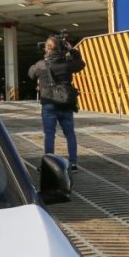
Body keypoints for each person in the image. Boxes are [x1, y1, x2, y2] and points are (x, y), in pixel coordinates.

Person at [29, 34, 85, 171]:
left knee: (49, 134)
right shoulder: (67, 64)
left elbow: (31, 74)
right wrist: (72, 50)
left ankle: (49, 165)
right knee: (70, 133)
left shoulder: (41, 65)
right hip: (66, 103)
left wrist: (43, 60)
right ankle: (73, 163)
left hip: (49, 104)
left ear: (48, 48)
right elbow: (81, 64)